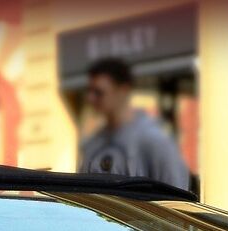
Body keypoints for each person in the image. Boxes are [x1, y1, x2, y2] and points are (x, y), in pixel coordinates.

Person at [77, 58, 191, 190]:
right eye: (89, 91)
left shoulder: (154, 140)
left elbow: (176, 196)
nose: (91, 99)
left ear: (123, 90)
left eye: (98, 92)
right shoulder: (93, 144)